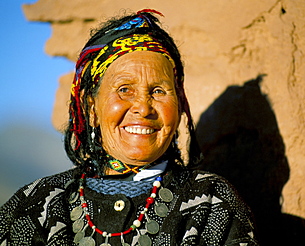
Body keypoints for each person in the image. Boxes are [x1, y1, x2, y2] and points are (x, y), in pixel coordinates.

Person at [0, 10, 259, 246]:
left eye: (158, 91)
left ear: (179, 106)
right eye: (124, 90)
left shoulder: (211, 203)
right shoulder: (36, 205)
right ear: (92, 110)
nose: (143, 108)